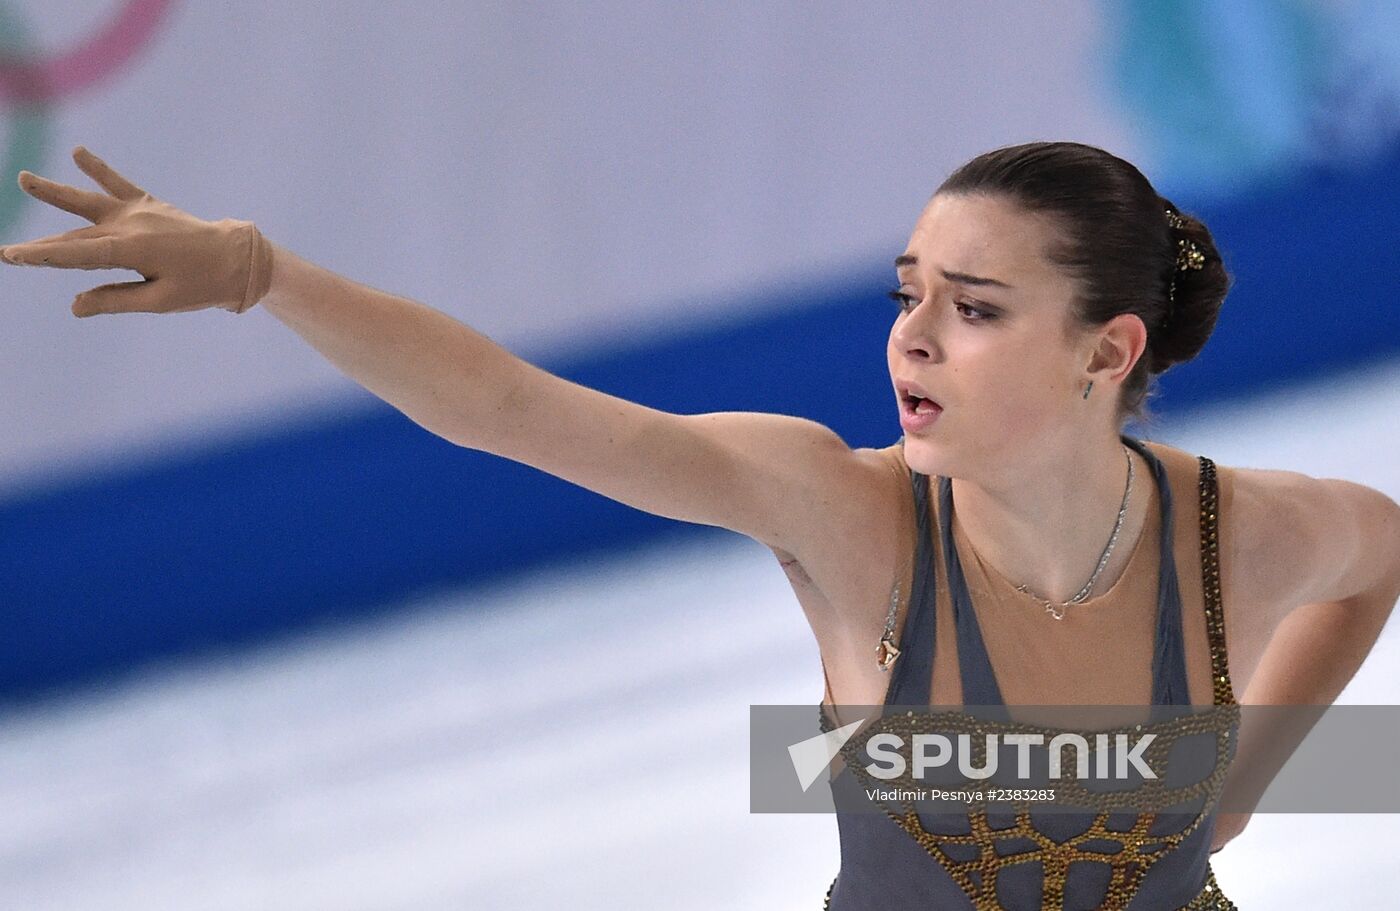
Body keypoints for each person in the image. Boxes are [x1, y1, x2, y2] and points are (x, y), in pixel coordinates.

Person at [2, 141, 1397, 909]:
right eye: (908, 293)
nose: (912, 340)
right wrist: (265, 272)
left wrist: (1241, 789)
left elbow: (1379, 548)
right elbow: (504, 405)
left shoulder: (1236, 539)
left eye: (973, 312)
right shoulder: (849, 518)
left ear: (1107, 354)